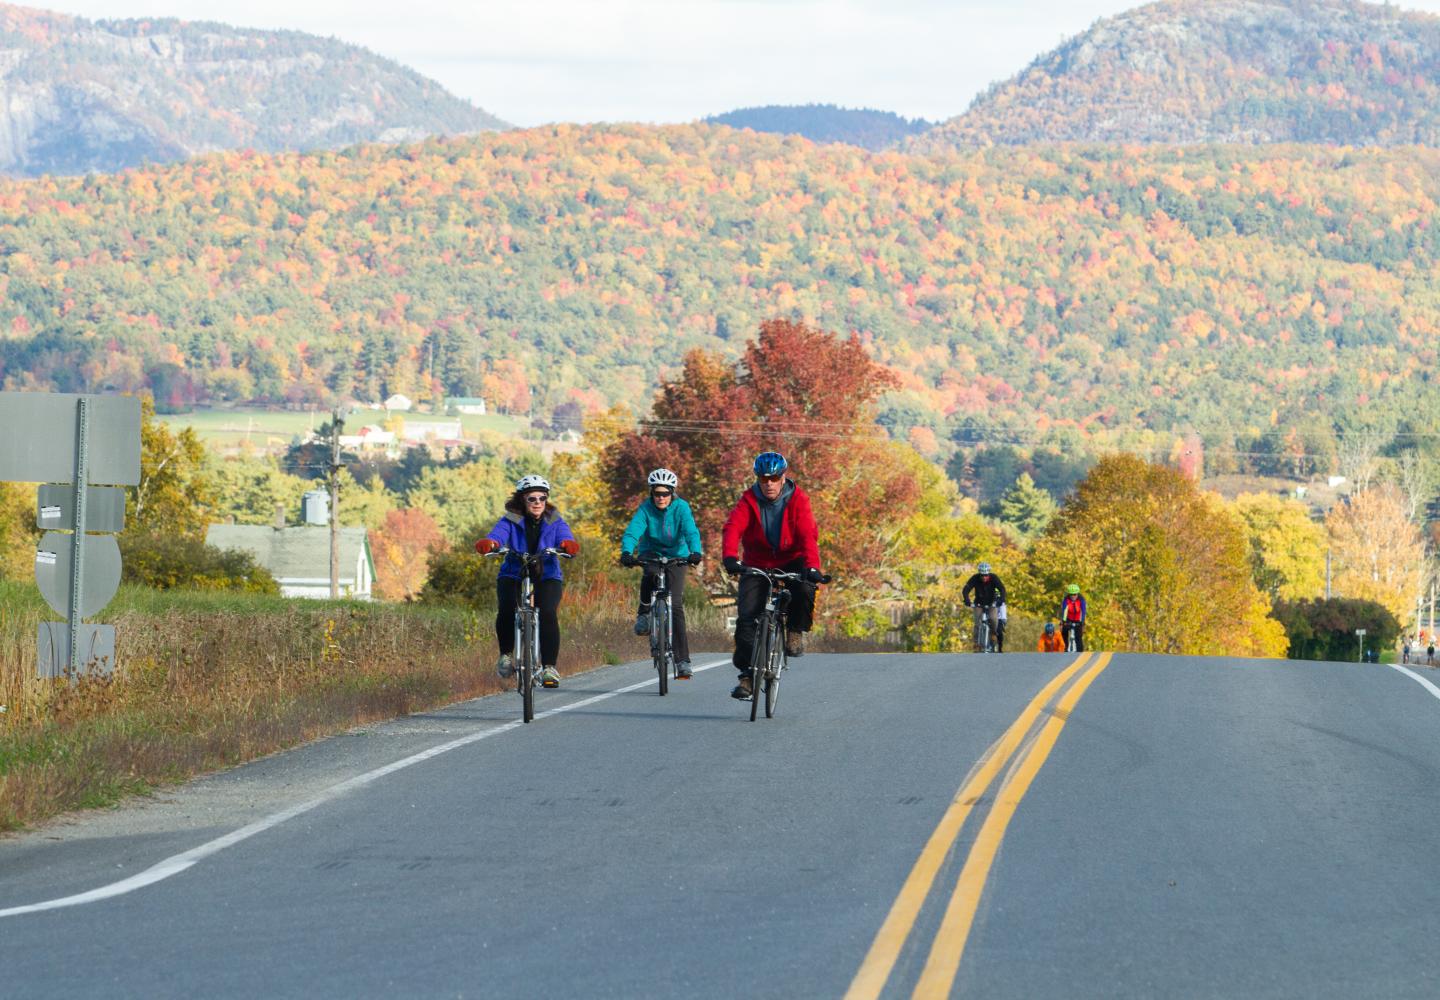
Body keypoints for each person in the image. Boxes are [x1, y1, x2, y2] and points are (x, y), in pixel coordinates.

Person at [721, 451, 823, 700]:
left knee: (805, 588)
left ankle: (795, 632)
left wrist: (812, 567)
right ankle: (746, 675)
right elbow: (733, 527)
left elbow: (808, 534)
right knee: (746, 619)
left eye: (774, 478)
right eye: (763, 478)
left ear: (783, 477)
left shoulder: (798, 499)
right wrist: (730, 557)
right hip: (758, 562)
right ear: (757, 478)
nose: (768, 484)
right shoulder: (749, 499)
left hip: (792, 558)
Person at [475, 475, 579, 689]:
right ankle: (505, 655)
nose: (538, 503)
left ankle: (549, 667)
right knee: (506, 608)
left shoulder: (554, 519)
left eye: (542, 498)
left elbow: (564, 535)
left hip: (547, 572)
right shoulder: (511, 519)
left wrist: (568, 544)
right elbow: (498, 535)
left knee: (548, 612)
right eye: (532, 498)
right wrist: (491, 543)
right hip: (514, 570)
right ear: (523, 499)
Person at [620, 468, 703, 680]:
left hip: (677, 556)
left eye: (665, 493)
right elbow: (633, 530)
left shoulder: (681, 508)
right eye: (657, 493)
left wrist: (695, 551)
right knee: (649, 574)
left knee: (675, 607)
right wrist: (627, 552)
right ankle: (644, 613)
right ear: (651, 493)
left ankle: (683, 661)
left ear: (672, 493)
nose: (661, 498)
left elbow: (690, 531)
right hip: (652, 552)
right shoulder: (646, 508)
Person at [961, 562, 1006, 653]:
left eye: (986, 575)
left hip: (991, 603)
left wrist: (1000, 600)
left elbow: (1002, 589)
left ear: (989, 574)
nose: (984, 577)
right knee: (977, 623)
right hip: (979, 603)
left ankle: (993, 634)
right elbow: (966, 589)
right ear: (979, 574)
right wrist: (967, 600)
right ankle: (976, 644)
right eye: (982, 575)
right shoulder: (975, 578)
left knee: (993, 619)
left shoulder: (994, 578)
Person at [1059, 583, 1087, 652]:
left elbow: (1083, 612)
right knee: (1064, 633)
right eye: (1071, 594)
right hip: (1068, 619)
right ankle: (1065, 649)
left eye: (1075, 594)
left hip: (1078, 620)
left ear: (1077, 594)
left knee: (1079, 637)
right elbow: (1064, 611)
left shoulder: (1081, 600)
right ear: (1069, 594)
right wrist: (1063, 622)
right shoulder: (1066, 600)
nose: (1073, 596)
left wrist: (1082, 622)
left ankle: (1080, 652)